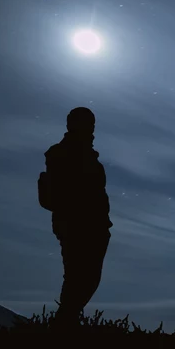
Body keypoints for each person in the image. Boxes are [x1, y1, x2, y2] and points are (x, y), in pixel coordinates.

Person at [41, 107, 113, 331]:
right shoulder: (62, 153)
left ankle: (66, 320)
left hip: (95, 226)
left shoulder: (88, 155)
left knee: (87, 277)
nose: (90, 128)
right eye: (85, 123)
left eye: (91, 123)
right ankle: (64, 324)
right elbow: (68, 190)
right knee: (77, 276)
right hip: (74, 223)